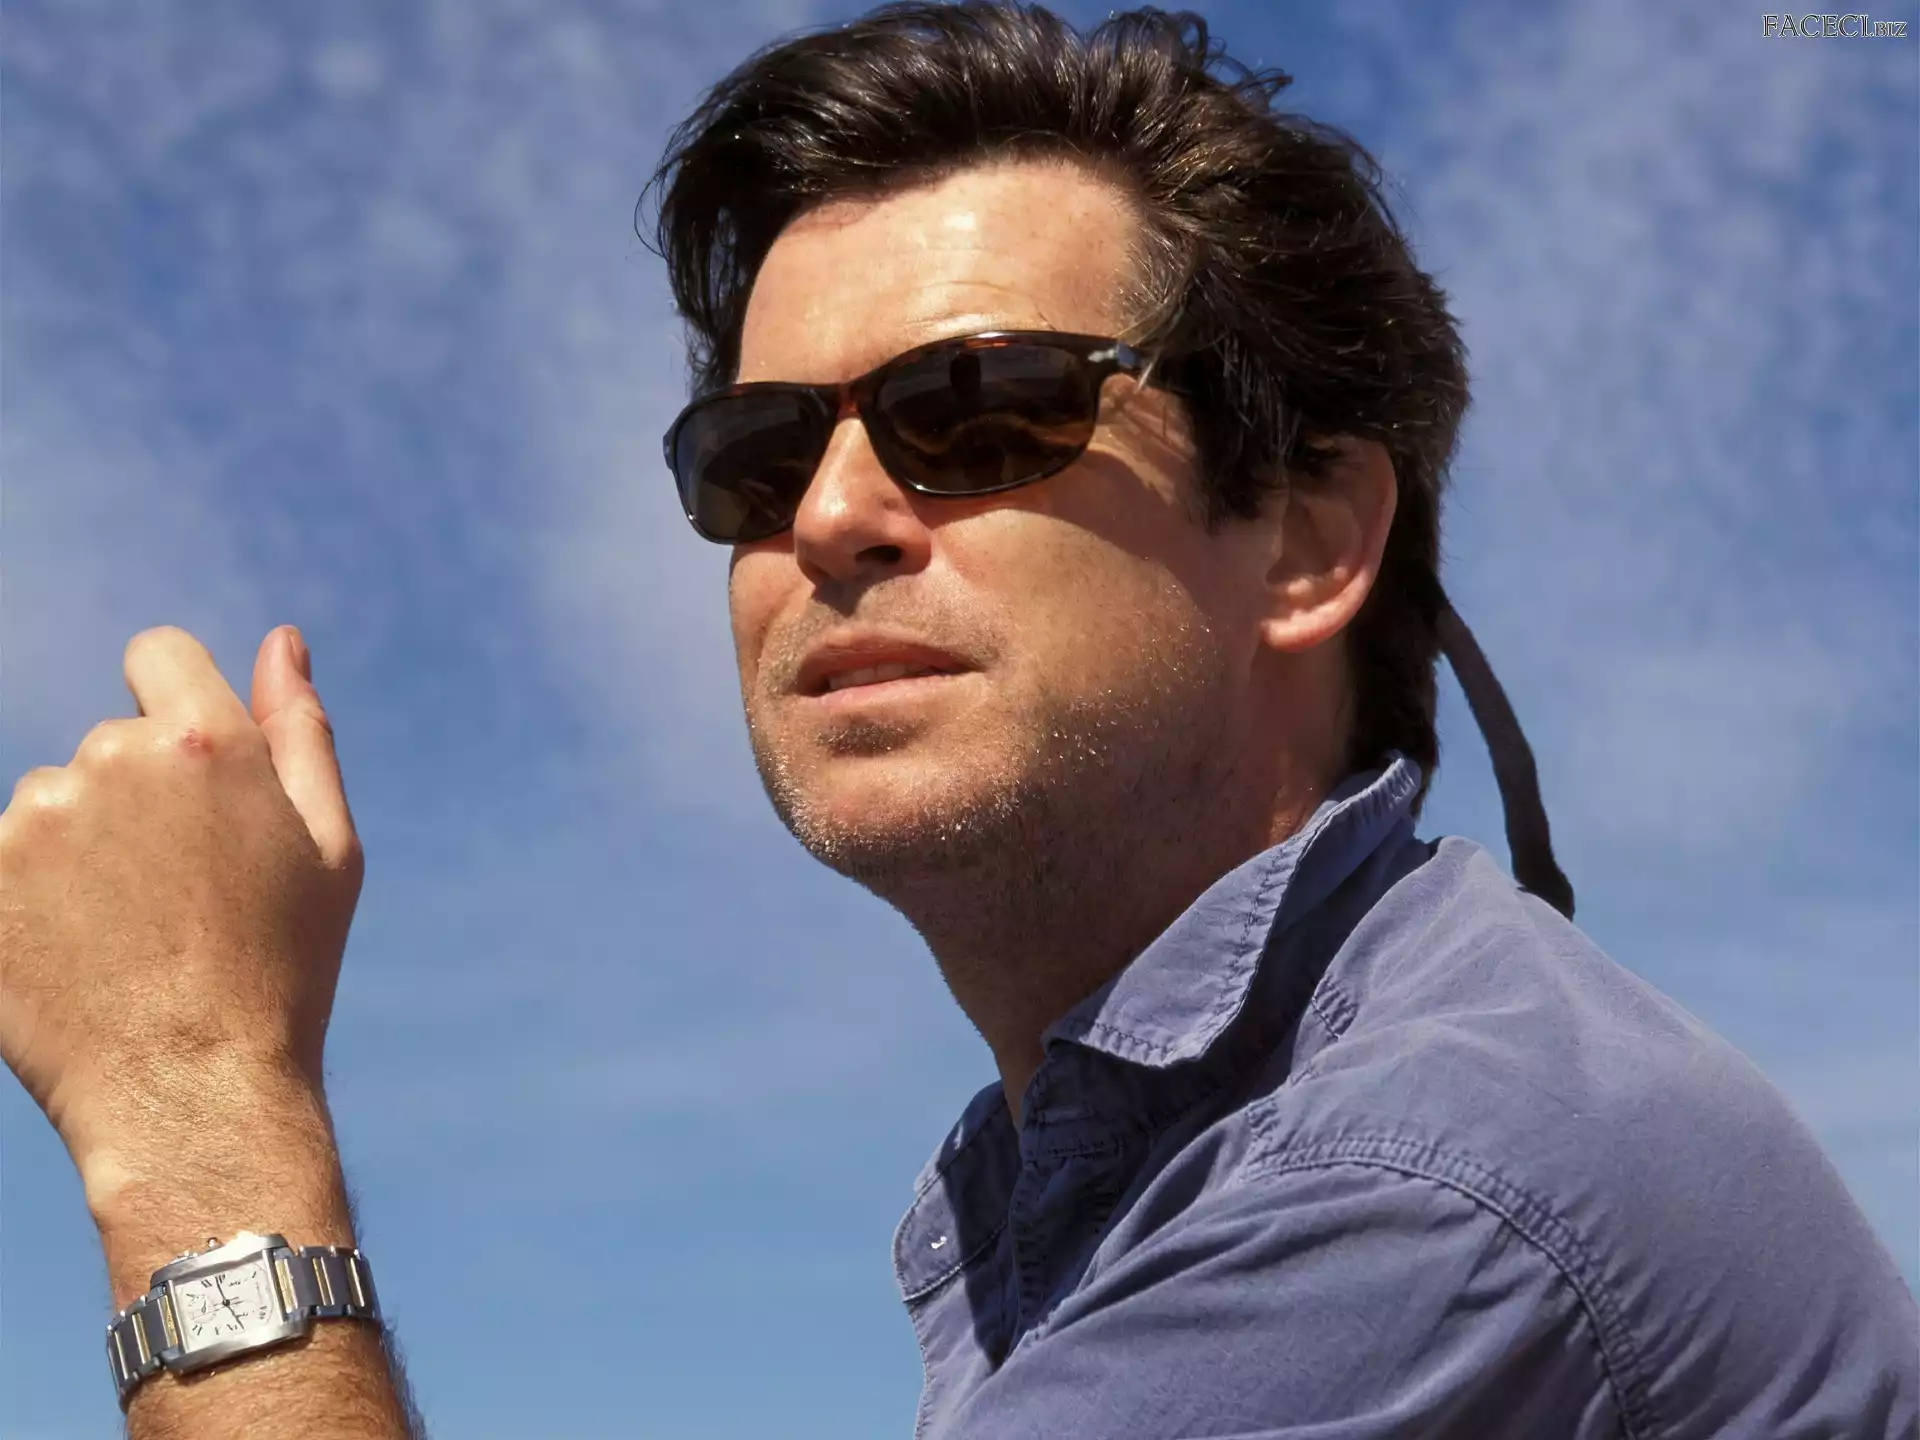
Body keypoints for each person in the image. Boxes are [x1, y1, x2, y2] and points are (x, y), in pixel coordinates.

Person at [2, 5, 1913, 1437]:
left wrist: (198, 1108)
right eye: (755, 458)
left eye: (983, 410)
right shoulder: (1175, 1162)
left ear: (1311, 537)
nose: (834, 515)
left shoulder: (1413, 1187)